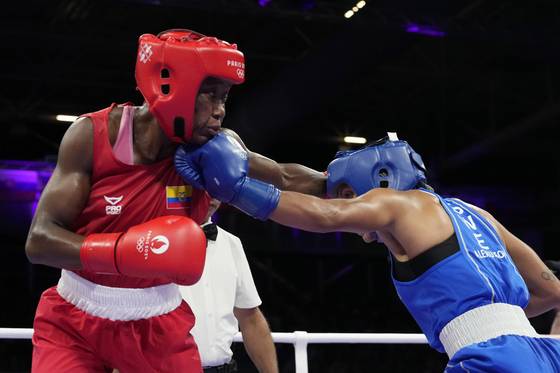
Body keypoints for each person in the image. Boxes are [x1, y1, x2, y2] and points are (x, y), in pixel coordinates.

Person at [25, 29, 324, 373]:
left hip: (158, 327)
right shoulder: (93, 136)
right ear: (170, 87)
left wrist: (342, 184)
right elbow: (40, 241)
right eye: (211, 96)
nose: (220, 111)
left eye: (225, 98)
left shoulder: (213, 149)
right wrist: (121, 252)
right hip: (74, 319)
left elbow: (284, 176)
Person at [175, 131, 560, 372]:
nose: (349, 206)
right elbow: (551, 292)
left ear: (379, 182)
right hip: (539, 354)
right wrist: (478, 320)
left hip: (491, 360)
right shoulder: (478, 215)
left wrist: (234, 189)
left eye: (348, 195)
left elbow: (324, 216)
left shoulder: (397, 203)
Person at [180, 199, 278, 373]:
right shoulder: (154, 241)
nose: (210, 197)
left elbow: (251, 319)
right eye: (203, 187)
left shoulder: (231, 243)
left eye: (216, 189)